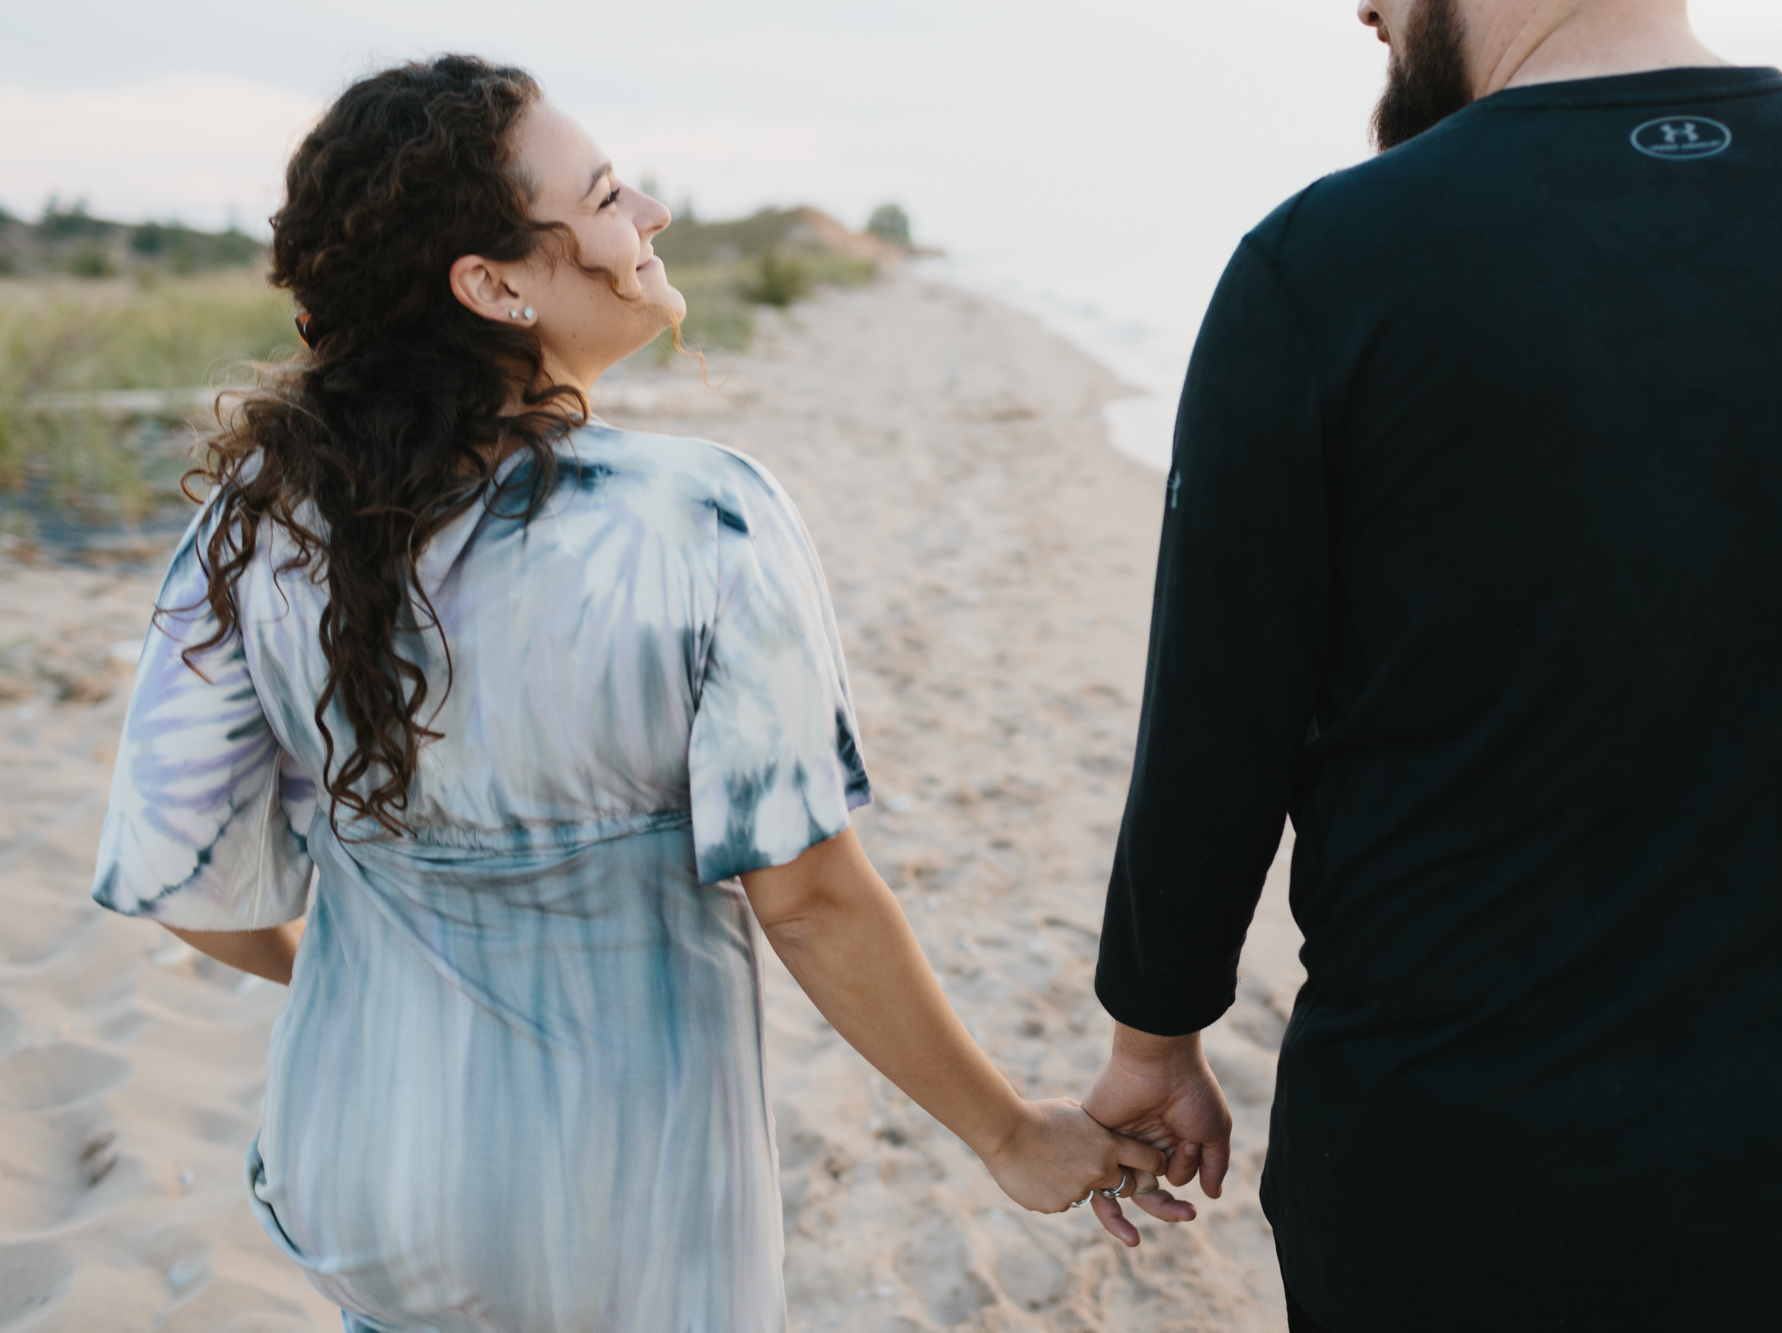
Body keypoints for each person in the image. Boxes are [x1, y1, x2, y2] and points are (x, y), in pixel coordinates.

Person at [88, 56, 1170, 1333]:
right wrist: (1006, 1132)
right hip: (624, 1206)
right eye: (604, 197)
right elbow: (812, 901)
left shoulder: (257, 521)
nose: (648, 211)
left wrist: (375, 966)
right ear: (491, 286)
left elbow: (183, 882)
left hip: (367, 1168)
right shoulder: (702, 517)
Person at [1081, 0, 1782, 1329]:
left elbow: (1218, 736)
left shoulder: (1328, 261)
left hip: (1460, 1180)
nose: (1366, 10)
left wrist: (1154, 1039)